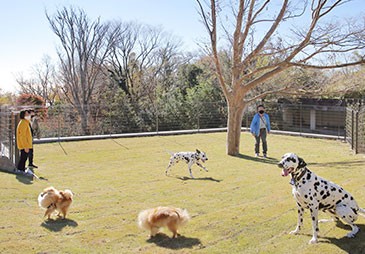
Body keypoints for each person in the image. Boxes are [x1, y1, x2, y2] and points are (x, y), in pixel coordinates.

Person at [16, 109, 33, 173]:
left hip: (25, 144)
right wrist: (25, 146)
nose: (28, 115)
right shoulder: (23, 123)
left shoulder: (25, 122)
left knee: (24, 157)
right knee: (23, 158)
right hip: (24, 145)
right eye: (27, 114)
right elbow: (22, 136)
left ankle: (21, 169)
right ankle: (20, 169)